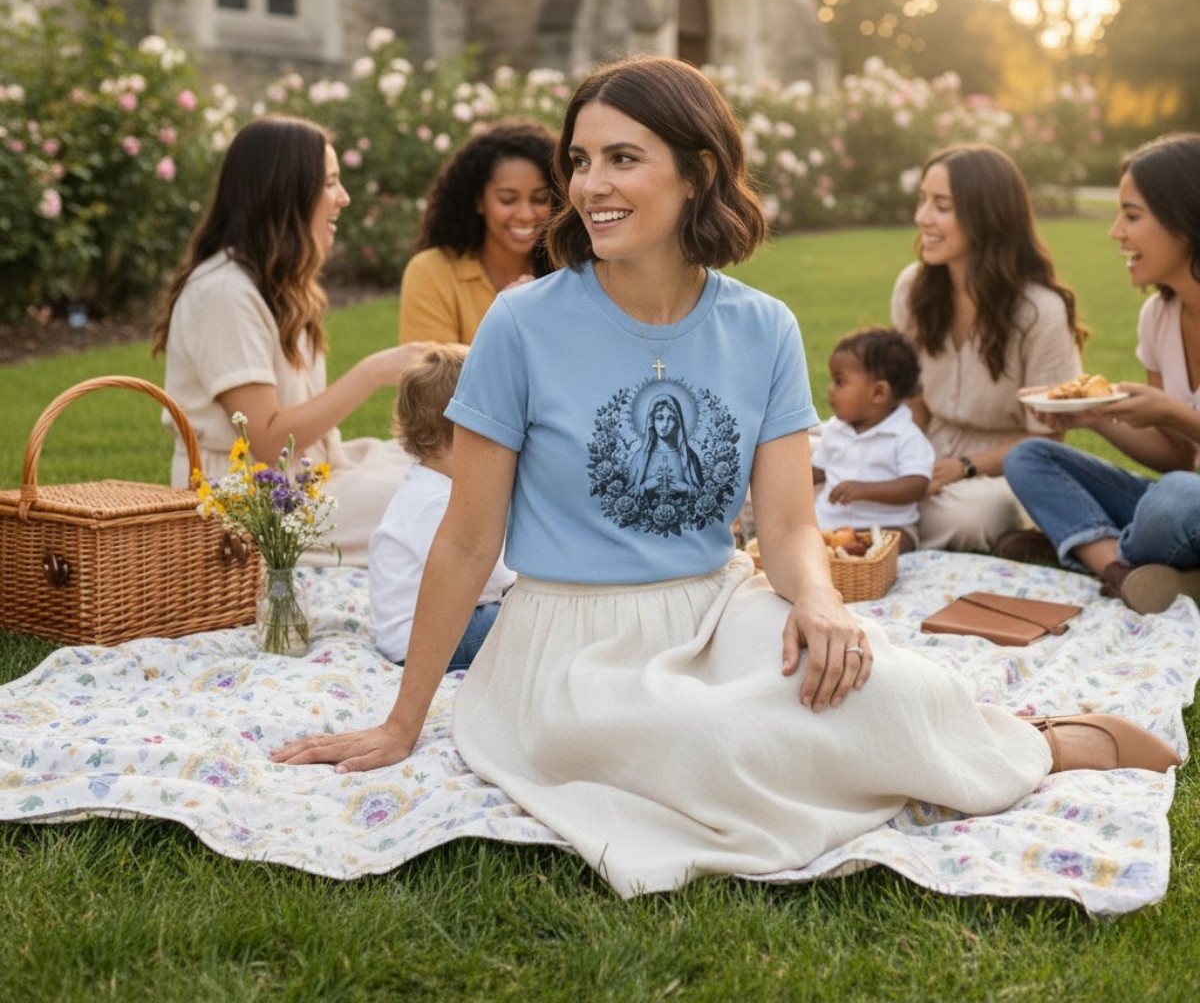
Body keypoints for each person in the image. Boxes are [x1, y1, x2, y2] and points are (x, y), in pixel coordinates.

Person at [272, 56, 1178, 899]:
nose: (590, 185)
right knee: (712, 741)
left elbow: (785, 528)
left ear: (697, 173)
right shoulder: (522, 325)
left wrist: (820, 602)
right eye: (580, 160)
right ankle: (978, 747)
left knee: (878, 683)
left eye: (623, 158)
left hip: (717, 604)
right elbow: (468, 539)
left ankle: (1044, 742)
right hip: (567, 642)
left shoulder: (764, 328)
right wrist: (403, 720)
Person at [152, 115, 428, 567]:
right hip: (251, 503)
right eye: (331, 183)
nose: (344, 197)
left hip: (306, 477)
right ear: (286, 193)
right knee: (436, 498)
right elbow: (264, 441)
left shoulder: (275, 283)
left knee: (425, 466)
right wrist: (373, 373)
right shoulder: (223, 292)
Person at [999, 133, 1200, 614]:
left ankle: (1087, 546)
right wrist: (1093, 417)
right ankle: (1125, 570)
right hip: (1180, 505)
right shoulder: (1158, 316)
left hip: (1187, 506)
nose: (1116, 232)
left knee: (1176, 499)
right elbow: (1175, 457)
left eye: (1132, 216)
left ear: (1186, 220)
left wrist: (1178, 415)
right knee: (1028, 457)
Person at [890, 143, 1087, 551]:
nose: (921, 217)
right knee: (809, 452)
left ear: (987, 216)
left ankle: (887, 522)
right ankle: (886, 516)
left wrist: (962, 468)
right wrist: (896, 454)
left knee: (974, 516)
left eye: (941, 206)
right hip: (928, 440)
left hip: (1007, 466)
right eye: (923, 200)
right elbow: (913, 400)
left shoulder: (1041, 312)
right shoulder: (913, 288)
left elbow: (1046, 441)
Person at [369, 343, 516, 669]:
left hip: (442, 624)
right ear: (454, 435)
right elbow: (487, 577)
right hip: (422, 640)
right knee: (527, 621)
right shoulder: (434, 503)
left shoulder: (433, 483)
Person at [398, 119, 558, 343]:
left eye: (540, 199)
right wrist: (505, 319)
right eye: (507, 200)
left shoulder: (569, 271)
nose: (525, 214)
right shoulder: (432, 272)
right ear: (479, 201)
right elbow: (434, 375)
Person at [812, 326, 935, 553]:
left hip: (887, 525)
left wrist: (865, 490)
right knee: (803, 540)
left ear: (878, 393)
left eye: (839, 382)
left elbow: (917, 486)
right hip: (831, 523)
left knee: (896, 544)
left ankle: (867, 563)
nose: (830, 390)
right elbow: (818, 470)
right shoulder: (835, 431)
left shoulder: (905, 435)